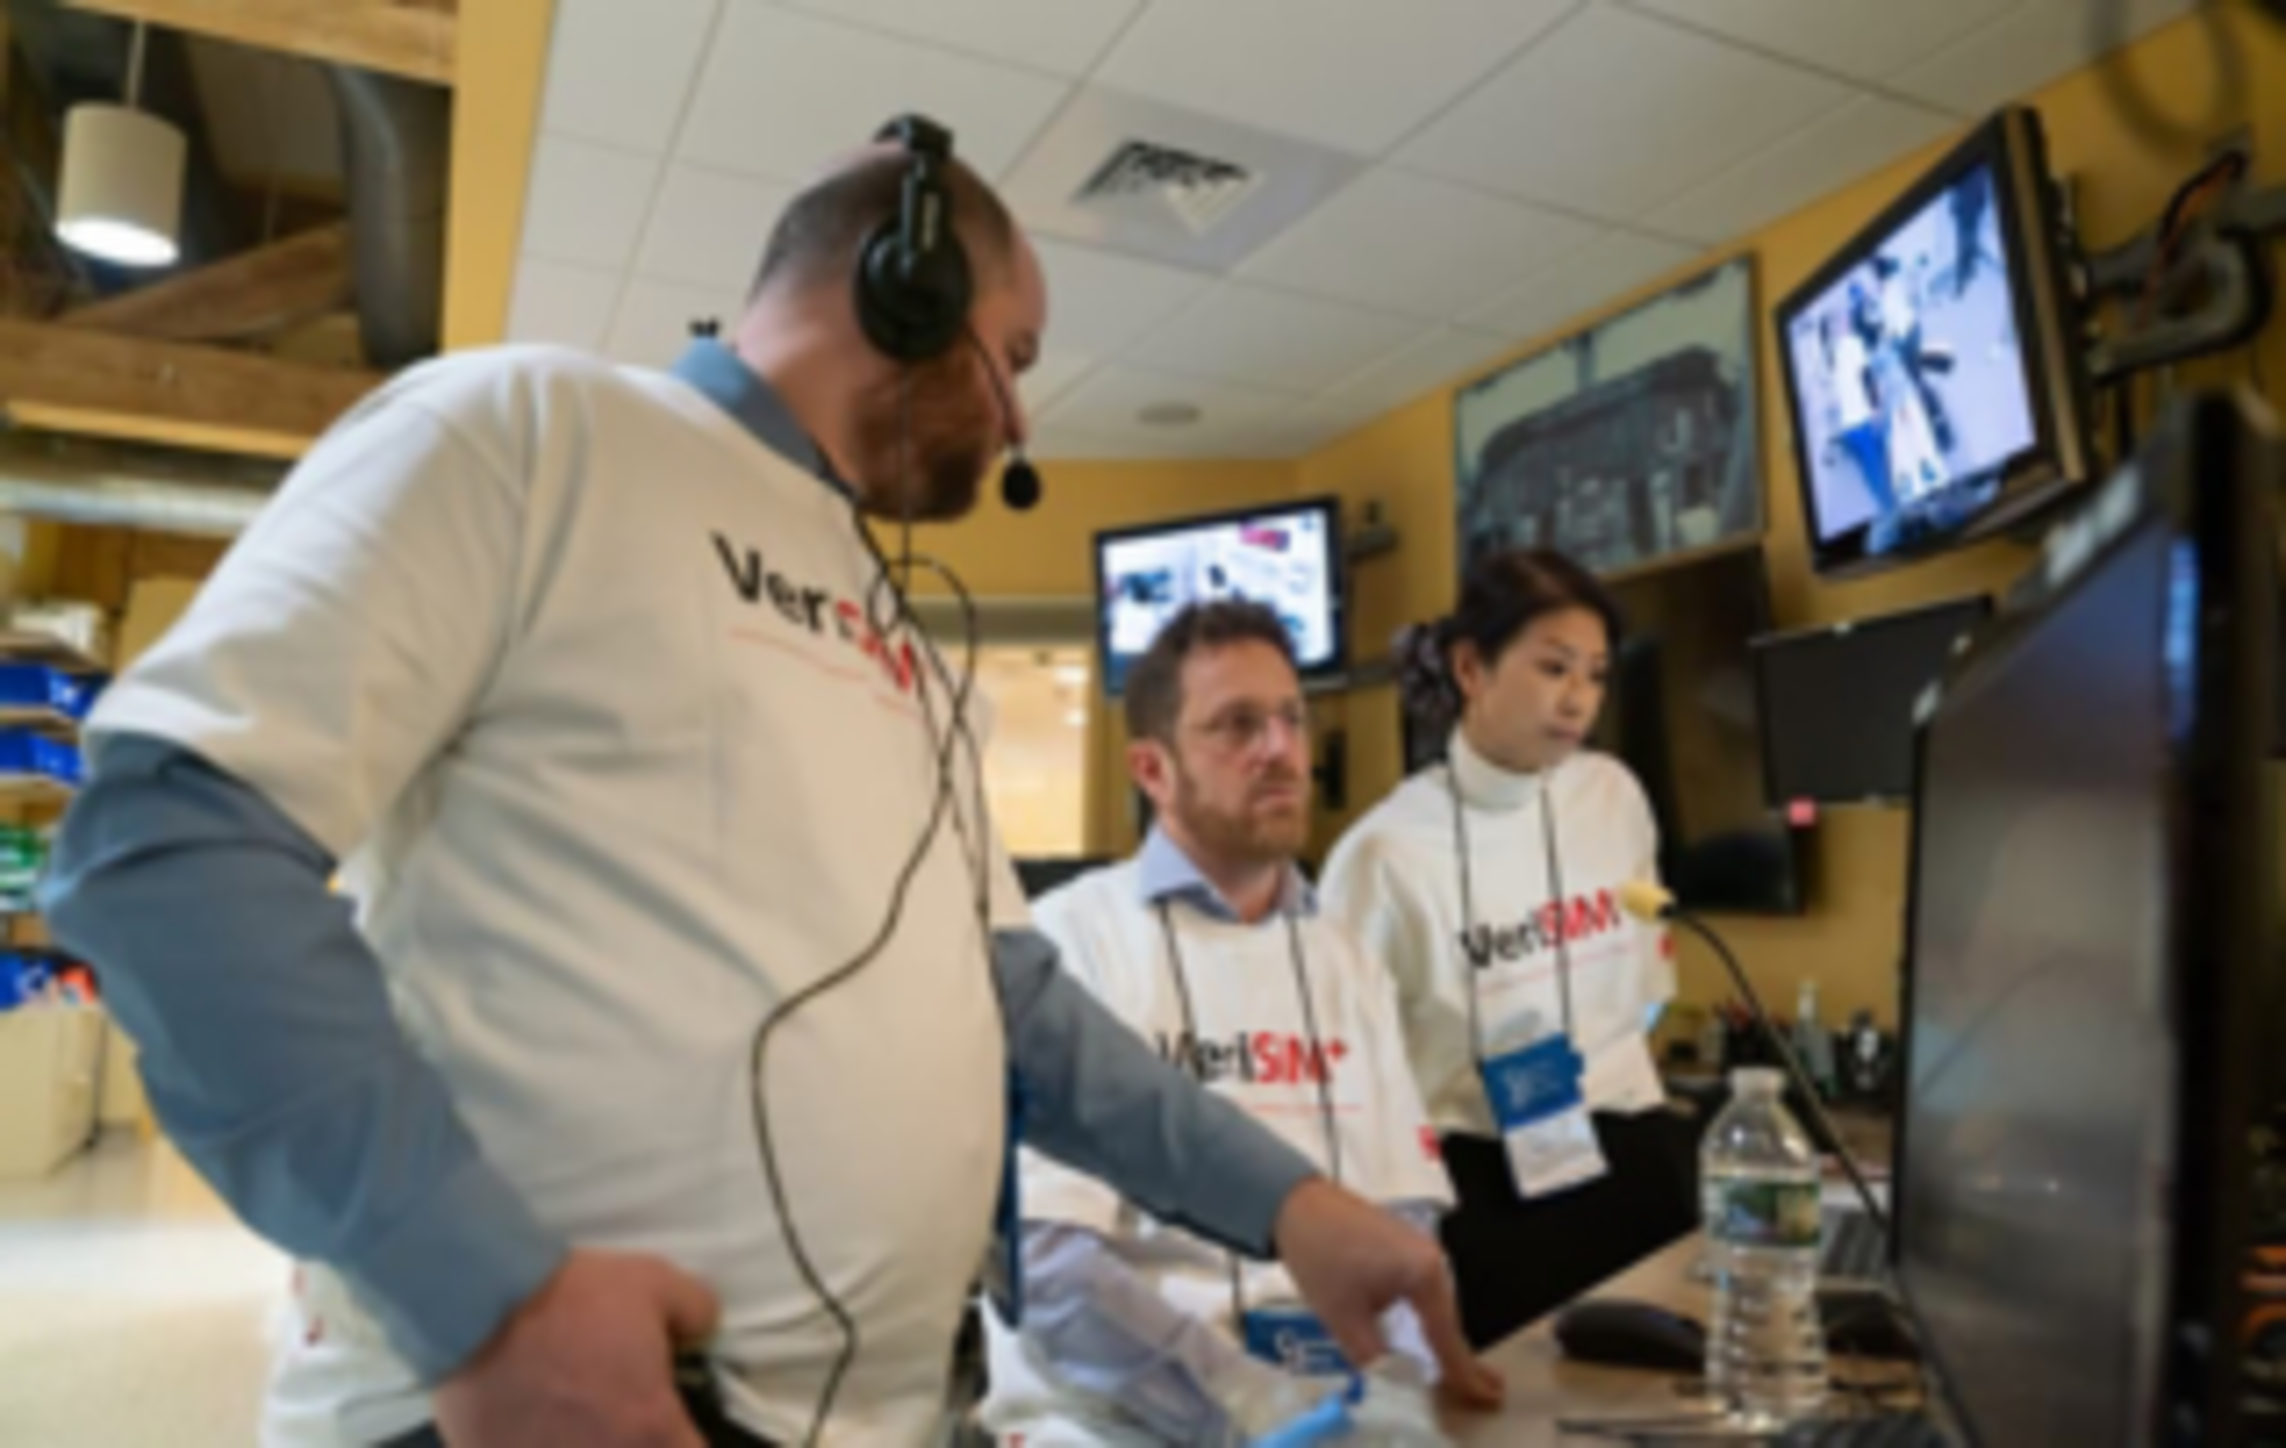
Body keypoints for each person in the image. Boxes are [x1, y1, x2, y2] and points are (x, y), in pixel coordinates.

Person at [39, 119, 1496, 1448]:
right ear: (908, 290)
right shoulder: (531, 429)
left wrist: (1289, 1203)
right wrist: (476, 1291)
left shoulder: (909, 656)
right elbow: (164, 846)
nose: (1021, 422)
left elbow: (1023, 1020)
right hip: (536, 1409)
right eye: (1015, 355)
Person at [981, 602, 1460, 1446]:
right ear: (1152, 768)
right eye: (1237, 725)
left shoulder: (1346, 955)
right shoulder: (1065, 942)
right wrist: (1241, 1402)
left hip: (1326, 1409)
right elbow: (1049, 1266)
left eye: (1291, 719)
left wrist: (1402, 1397)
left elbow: (1405, 1225)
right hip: (1110, 1419)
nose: (1279, 749)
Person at [1319, 549, 1696, 1350]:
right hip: (1483, 1190)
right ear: (1471, 668)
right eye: (1554, 668)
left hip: (1631, 1155)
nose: (1578, 699)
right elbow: (1345, 1081)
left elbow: (1645, 982)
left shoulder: (1613, 796)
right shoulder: (1384, 856)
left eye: (1596, 675)